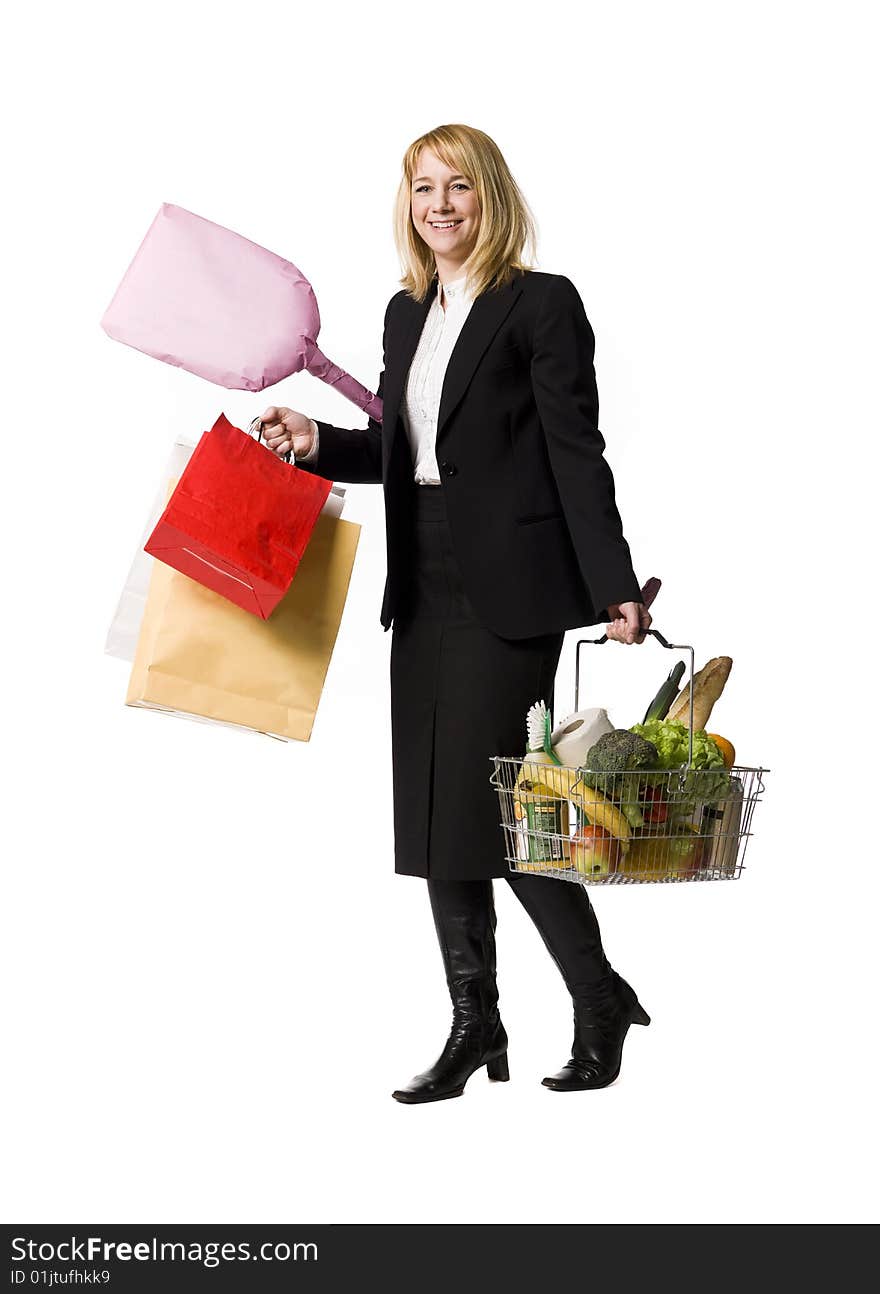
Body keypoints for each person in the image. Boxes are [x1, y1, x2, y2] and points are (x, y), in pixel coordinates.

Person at [260, 124, 653, 1104]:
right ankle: (476, 1023)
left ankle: (598, 998)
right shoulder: (407, 314)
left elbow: (575, 450)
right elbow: (405, 450)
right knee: (439, 813)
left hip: (509, 588)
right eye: (422, 188)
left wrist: (611, 583)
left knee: (504, 814)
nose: (439, 205)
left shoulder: (540, 304)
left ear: (491, 198)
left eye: (459, 188)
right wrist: (320, 442)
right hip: (424, 581)